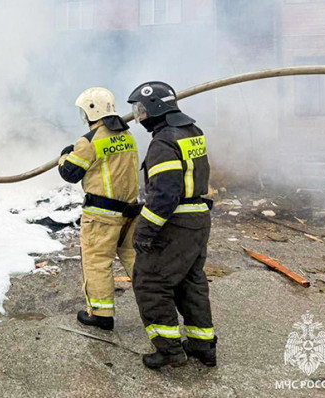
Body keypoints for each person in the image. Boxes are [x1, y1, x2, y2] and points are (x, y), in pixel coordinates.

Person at [126, 82, 216, 369]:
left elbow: (165, 193)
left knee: (150, 282)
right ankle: (203, 346)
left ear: (155, 107)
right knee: (191, 283)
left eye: (140, 110)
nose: (139, 117)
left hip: (176, 222)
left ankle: (169, 351)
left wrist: (146, 228)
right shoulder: (192, 132)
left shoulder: (163, 142)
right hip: (198, 218)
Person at [57, 87, 141, 331]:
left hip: (102, 217)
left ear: (90, 111)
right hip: (130, 212)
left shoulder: (90, 141)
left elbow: (69, 173)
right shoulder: (127, 135)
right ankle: (155, 302)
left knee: (96, 261)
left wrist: (65, 155)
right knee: (134, 257)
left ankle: (101, 314)